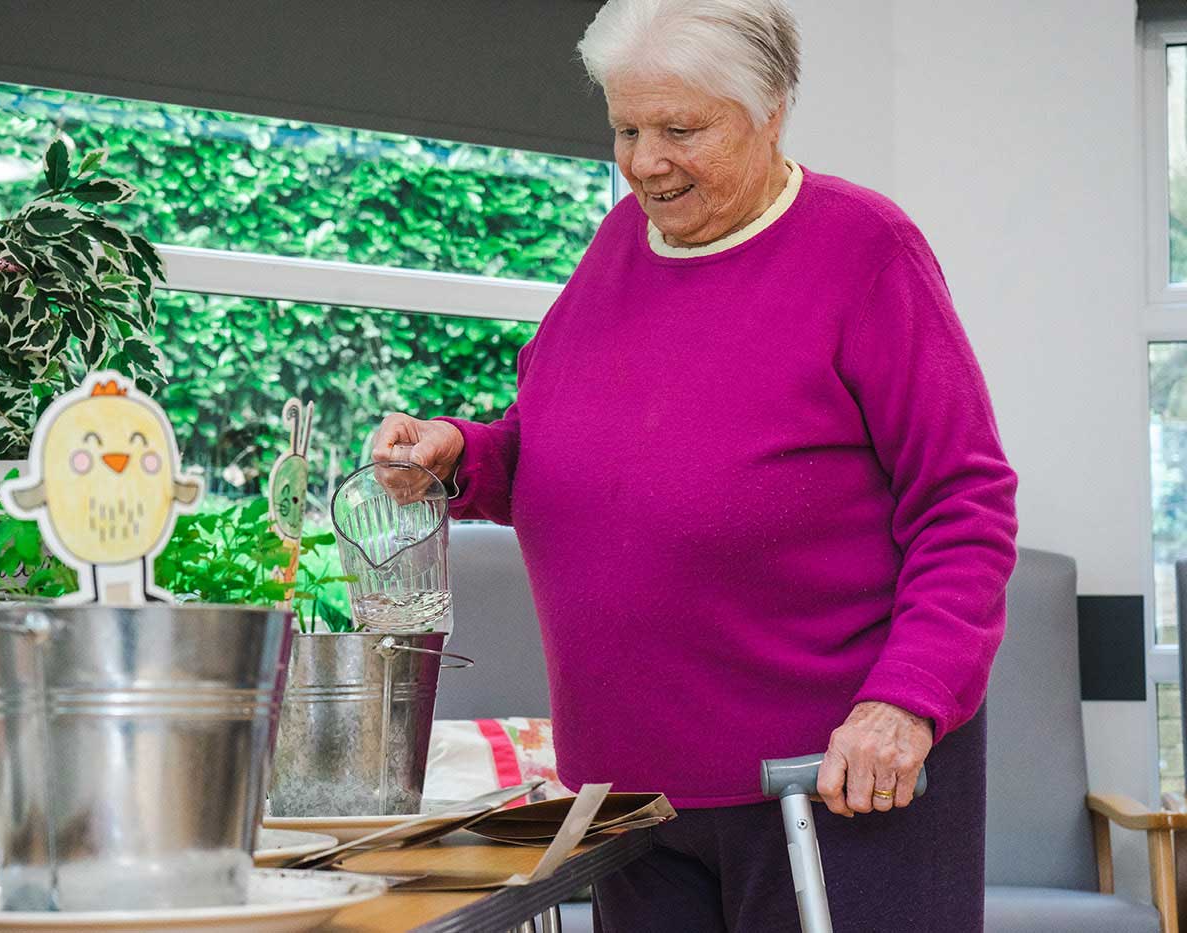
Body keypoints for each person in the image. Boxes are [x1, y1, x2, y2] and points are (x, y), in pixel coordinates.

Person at [372, 1, 1017, 928]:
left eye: (680, 129)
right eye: (626, 129)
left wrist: (905, 706)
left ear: (771, 112)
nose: (644, 161)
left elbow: (964, 503)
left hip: (828, 786)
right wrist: (460, 457)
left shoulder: (865, 251)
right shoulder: (615, 250)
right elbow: (561, 459)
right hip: (636, 801)